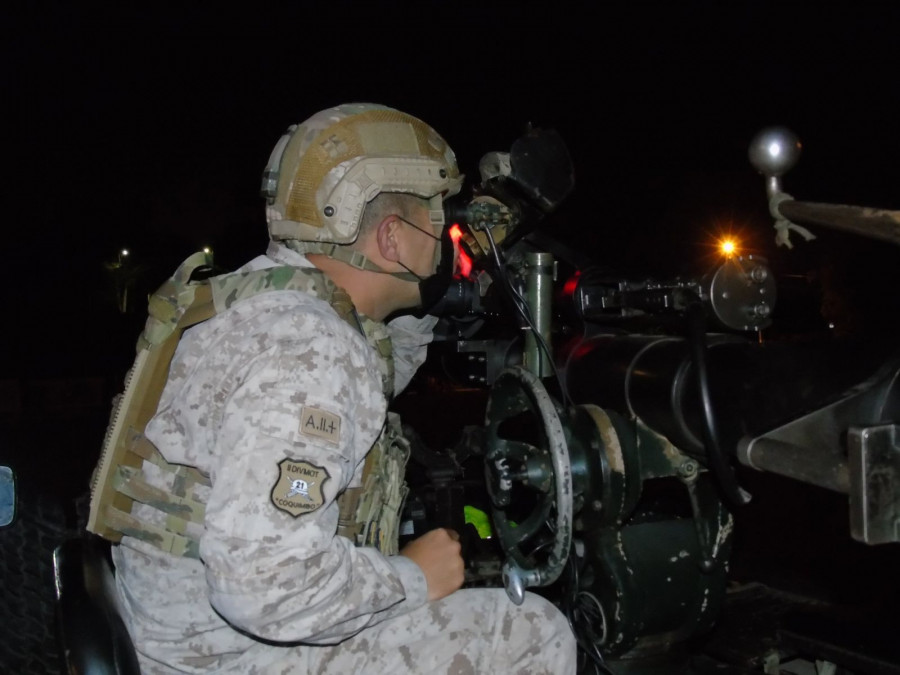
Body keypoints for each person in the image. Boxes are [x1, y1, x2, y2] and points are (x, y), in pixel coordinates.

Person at [99, 103, 576, 674]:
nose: (450, 237)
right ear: (392, 238)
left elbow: (374, 365)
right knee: (528, 630)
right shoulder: (313, 347)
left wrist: (446, 280)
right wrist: (412, 577)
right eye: (439, 215)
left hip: (168, 627)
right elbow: (264, 586)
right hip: (225, 656)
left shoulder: (257, 300)